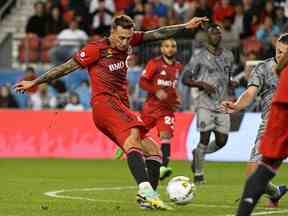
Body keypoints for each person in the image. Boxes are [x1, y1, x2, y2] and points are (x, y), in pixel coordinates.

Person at [14, 15, 208, 210]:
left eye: (128, 38)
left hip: (120, 106)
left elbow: (158, 33)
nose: (125, 43)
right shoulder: (95, 49)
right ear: (112, 32)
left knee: (154, 151)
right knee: (133, 135)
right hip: (104, 104)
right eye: (121, 38)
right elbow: (65, 68)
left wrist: (186, 26)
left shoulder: (130, 39)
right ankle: (145, 190)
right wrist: (35, 82)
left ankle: (148, 200)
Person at [220, 34, 288, 208]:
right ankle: (275, 192)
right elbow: (250, 93)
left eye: (286, 53)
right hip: (272, 125)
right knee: (253, 174)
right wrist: (236, 105)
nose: (282, 56)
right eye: (279, 51)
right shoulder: (264, 68)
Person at [182, 22, 234, 184]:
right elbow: (185, 78)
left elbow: (227, 76)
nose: (216, 36)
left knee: (221, 141)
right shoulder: (199, 57)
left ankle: (198, 154)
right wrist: (202, 84)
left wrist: (231, 84)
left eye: (218, 33)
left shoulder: (229, 55)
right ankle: (199, 175)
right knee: (204, 138)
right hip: (205, 103)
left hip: (222, 104)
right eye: (213, 33)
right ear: (207, 37)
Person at [139, 38, 183, 180]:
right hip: (151, 107)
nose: (170, 48)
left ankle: (162, 167)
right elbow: (142, 82)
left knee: (166, 135)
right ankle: (125, 146)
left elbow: (172, 87)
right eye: (167, 46)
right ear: (162, 49)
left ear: (175, 49)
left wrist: (176, 98)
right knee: (137, 134)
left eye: (173, 46)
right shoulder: (155, 63)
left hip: (167, 109)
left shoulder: (178, 67)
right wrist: (155, 91)